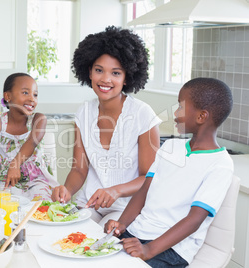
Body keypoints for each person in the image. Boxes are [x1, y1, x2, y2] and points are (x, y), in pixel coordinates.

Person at [104, 77, 234, 267]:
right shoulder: (170, 147)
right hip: (136, 233)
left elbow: (194, 220)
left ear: (201, 117)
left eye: (180, 107)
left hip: (170, 249)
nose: (175, 113)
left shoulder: (220, 164)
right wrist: (122, 223)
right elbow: (143, 192)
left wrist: (148, 250)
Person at [51, 26, 161, 224]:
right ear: (89, 72)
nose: (105, 79)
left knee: (102, 241)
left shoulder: (142, 114)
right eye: (99, 70)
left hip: (127, 208)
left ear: (127, 77)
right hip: (90, 204)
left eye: (116, 73)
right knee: (67, 233)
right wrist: (66, 190)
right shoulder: (84, 112)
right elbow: (79, 169)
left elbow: (149, 176)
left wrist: (116, 190)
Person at [0, 72, 59, 201]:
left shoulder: (38, 119)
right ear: (8, 96)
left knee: (40, 206)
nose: (32, 98)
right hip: (5, 179)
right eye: (25, 93)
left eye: (35, 94)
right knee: (2, 207)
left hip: (36, 180)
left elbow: (32, 142)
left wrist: (15, 164)